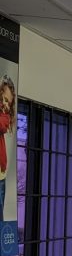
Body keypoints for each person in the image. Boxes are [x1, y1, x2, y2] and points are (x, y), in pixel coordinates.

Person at [0, 76, 15, 222]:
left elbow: (2, 125)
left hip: (0, 177)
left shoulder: (5, 117)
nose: (5, 104)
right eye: (3, 99)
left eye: (8, 102)